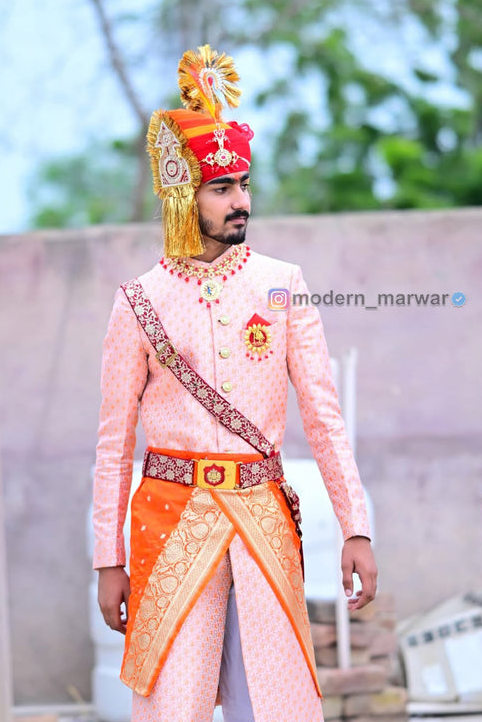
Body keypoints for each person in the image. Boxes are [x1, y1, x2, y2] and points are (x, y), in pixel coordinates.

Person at [92, 44, 378, 722]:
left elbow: (325, 418)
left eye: (243, 185)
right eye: (222, 189)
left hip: (262, 520)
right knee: (174, 704)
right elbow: (111, 443)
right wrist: (108, 559)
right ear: (182, 197)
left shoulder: (281, 285)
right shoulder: (137, 302)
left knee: (274, 706)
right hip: (168, 524)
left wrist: (357, 528)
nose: (241, 201)